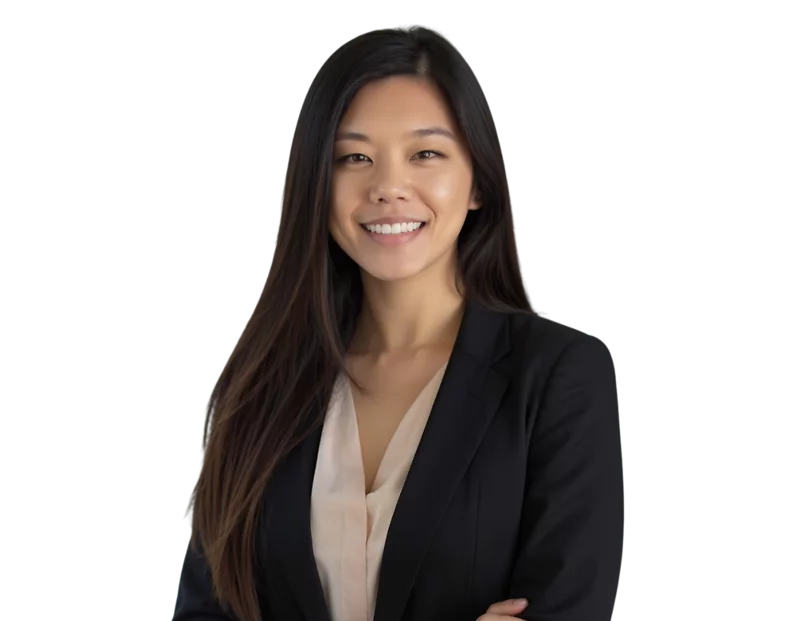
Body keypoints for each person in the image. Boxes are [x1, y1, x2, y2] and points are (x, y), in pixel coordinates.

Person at [173, 25, 622, 621]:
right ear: (319, 186)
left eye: (425, 153)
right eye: (354, 157)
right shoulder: (258, 385)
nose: (387, 187)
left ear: (479, 184)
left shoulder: (557, 378)